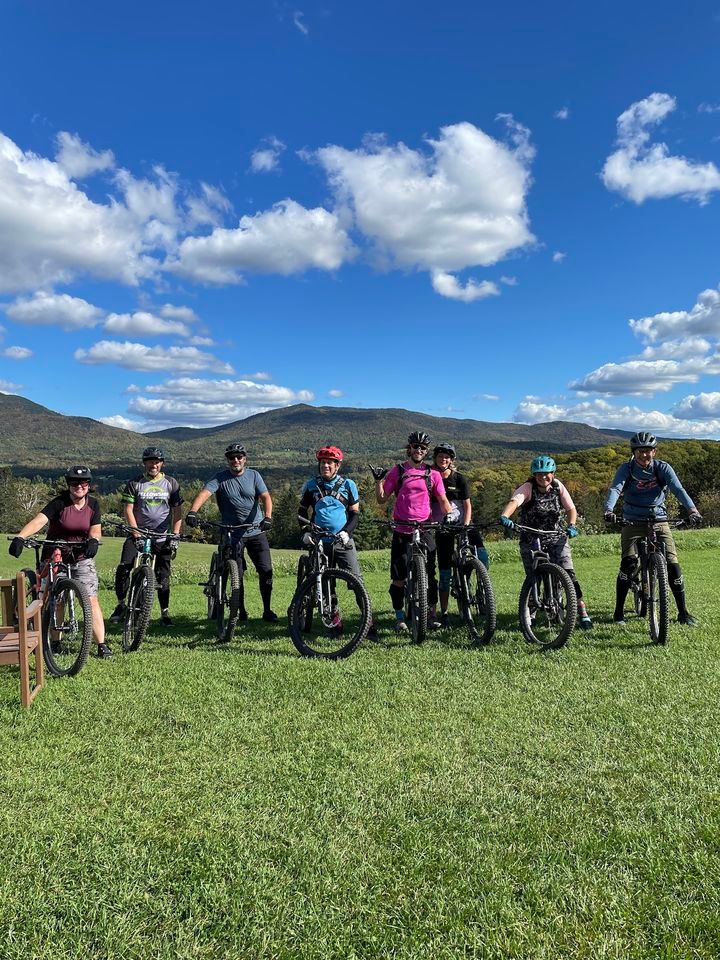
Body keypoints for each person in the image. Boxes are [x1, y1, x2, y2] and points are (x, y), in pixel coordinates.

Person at [8, 465, 111, 657]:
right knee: (57, 600)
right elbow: (40, 520)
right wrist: (20, 537)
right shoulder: (59, 503)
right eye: (74, 483)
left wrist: (94, 541)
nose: (78, 486)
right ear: (68, 485)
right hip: (55, 554)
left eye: (83, 483)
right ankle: (55, 642)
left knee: (90, 599)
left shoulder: (93, 504)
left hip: (81, 556)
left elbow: (95, 529)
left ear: (88, 485)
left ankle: (102, 645)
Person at [604, 431, 702, 626]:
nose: (644, 455)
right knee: (628, 564)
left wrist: (692, 510)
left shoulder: (662, 468)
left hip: (659, 519)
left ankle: (683, 613)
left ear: (654, 452)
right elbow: (616, 488)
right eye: (640, 451)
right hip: (632, 520)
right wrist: (608, 510)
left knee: (673, 565)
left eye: (648, 451)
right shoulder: (627, 468)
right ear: (634, 452)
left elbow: (678, 489)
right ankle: (618, 613)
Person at [185, 442, 277, 622]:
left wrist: (267, 517)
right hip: (231, 532)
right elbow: (204, 493)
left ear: (245, 459)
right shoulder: (220, 478)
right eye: (232, 457)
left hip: (256, 530)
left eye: (239, 457)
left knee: (266, 570)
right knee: (237, 573)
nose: (236, 460)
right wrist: (192, 511)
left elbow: (265, 497)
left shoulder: (254, 475)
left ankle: (267, 610)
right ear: (227, 460)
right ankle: (239, 610)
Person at [372, 430, 453, 633]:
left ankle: (430, 613)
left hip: (425, 527)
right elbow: (382, 499)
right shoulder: (398, 471)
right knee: (398, 577)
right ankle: (399, 616)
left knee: (430, 574)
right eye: (415, 446)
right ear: (409, 448)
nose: (418, 450)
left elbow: (443, 500)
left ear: (426, 452)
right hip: (402, 528)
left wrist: (449, 515)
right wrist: (378, 481)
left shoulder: (432, 474)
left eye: (423, 448)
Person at [499, 455, 592, 629]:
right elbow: (515, 501)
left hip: (555, 536)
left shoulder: (558, 487)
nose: (543, 477)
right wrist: (505, 516)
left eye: (547, 473)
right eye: (539, 474)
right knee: (534, 576)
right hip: (531, 538)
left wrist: (571, 525)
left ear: (553, 473)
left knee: (569, 574)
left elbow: (571, 508)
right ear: (534, 475)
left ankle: (581, 611)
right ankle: (531, 611)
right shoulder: (527, 488)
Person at [298, 445, 376, 637]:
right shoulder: (311, 485)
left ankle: (368, 622)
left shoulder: (348, 485)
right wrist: (306, 532)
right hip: (319, 541)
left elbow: (354, 514)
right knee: (325, 582)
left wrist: (347, 532)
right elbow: (301, 512)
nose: (325, 466)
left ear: (337, 466)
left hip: (342, 540)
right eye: (323, 462)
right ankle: (334, 622)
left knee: (356, 580)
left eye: (329, 463)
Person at [109, 446, 183, 628]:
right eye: (150, 461)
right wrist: (135, 532)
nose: (153, 464)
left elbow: (177, 511)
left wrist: (175, 535)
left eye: (157, 461)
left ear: (162, 463)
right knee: (124, 567)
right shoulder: (135, 483)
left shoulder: (171, 483)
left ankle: (164, 612)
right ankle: (121, 605)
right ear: (144, 464)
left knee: (163, 575)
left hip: (161, 536)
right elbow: (127, 509)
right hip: (137, 534)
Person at [429, 442, 489, 628]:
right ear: (435, 459)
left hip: (464, 523)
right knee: (445, 572)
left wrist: (466, 524)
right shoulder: (430, 478)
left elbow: (467, 505)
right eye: (440, 456)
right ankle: (444, 612)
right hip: (442, 527)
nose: (443, 459)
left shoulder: (459, 479)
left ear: (452, 460)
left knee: (483, 555)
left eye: (447, 457)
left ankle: (479, 584)